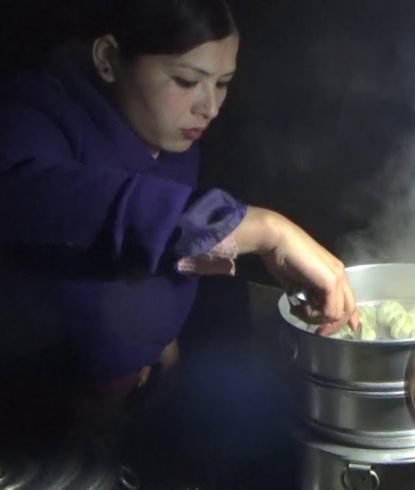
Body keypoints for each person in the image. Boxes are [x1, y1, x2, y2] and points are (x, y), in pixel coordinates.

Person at [0, 0, 359, 456]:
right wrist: (265, 229)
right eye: (187, 81)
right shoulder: (33, 117)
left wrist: (159, 339)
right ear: (108, 59)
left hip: (147, 385)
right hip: (43, 422)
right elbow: (52, 200)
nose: (209, 107)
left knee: (272, 416)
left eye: (223, 83)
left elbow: (158, 245)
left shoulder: (169, 133)